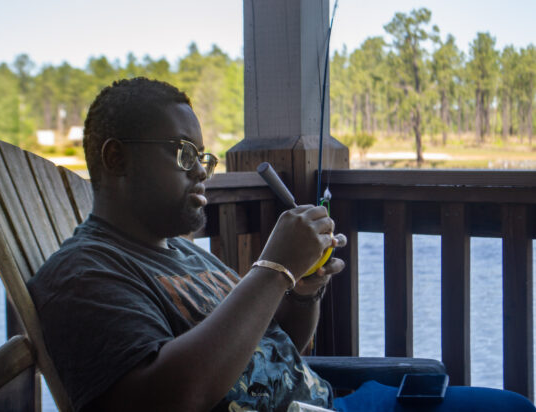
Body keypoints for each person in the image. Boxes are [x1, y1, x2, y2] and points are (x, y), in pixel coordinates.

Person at [28, 77, 536, 412]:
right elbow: (169, 398)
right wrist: (272, 269)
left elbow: (278, 347)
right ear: (115, 159)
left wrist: (302, 289)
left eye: (205, 158)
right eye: (185, 155)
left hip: (327, 401)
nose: (203, 173)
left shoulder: (181, 254)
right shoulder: (82, 274)